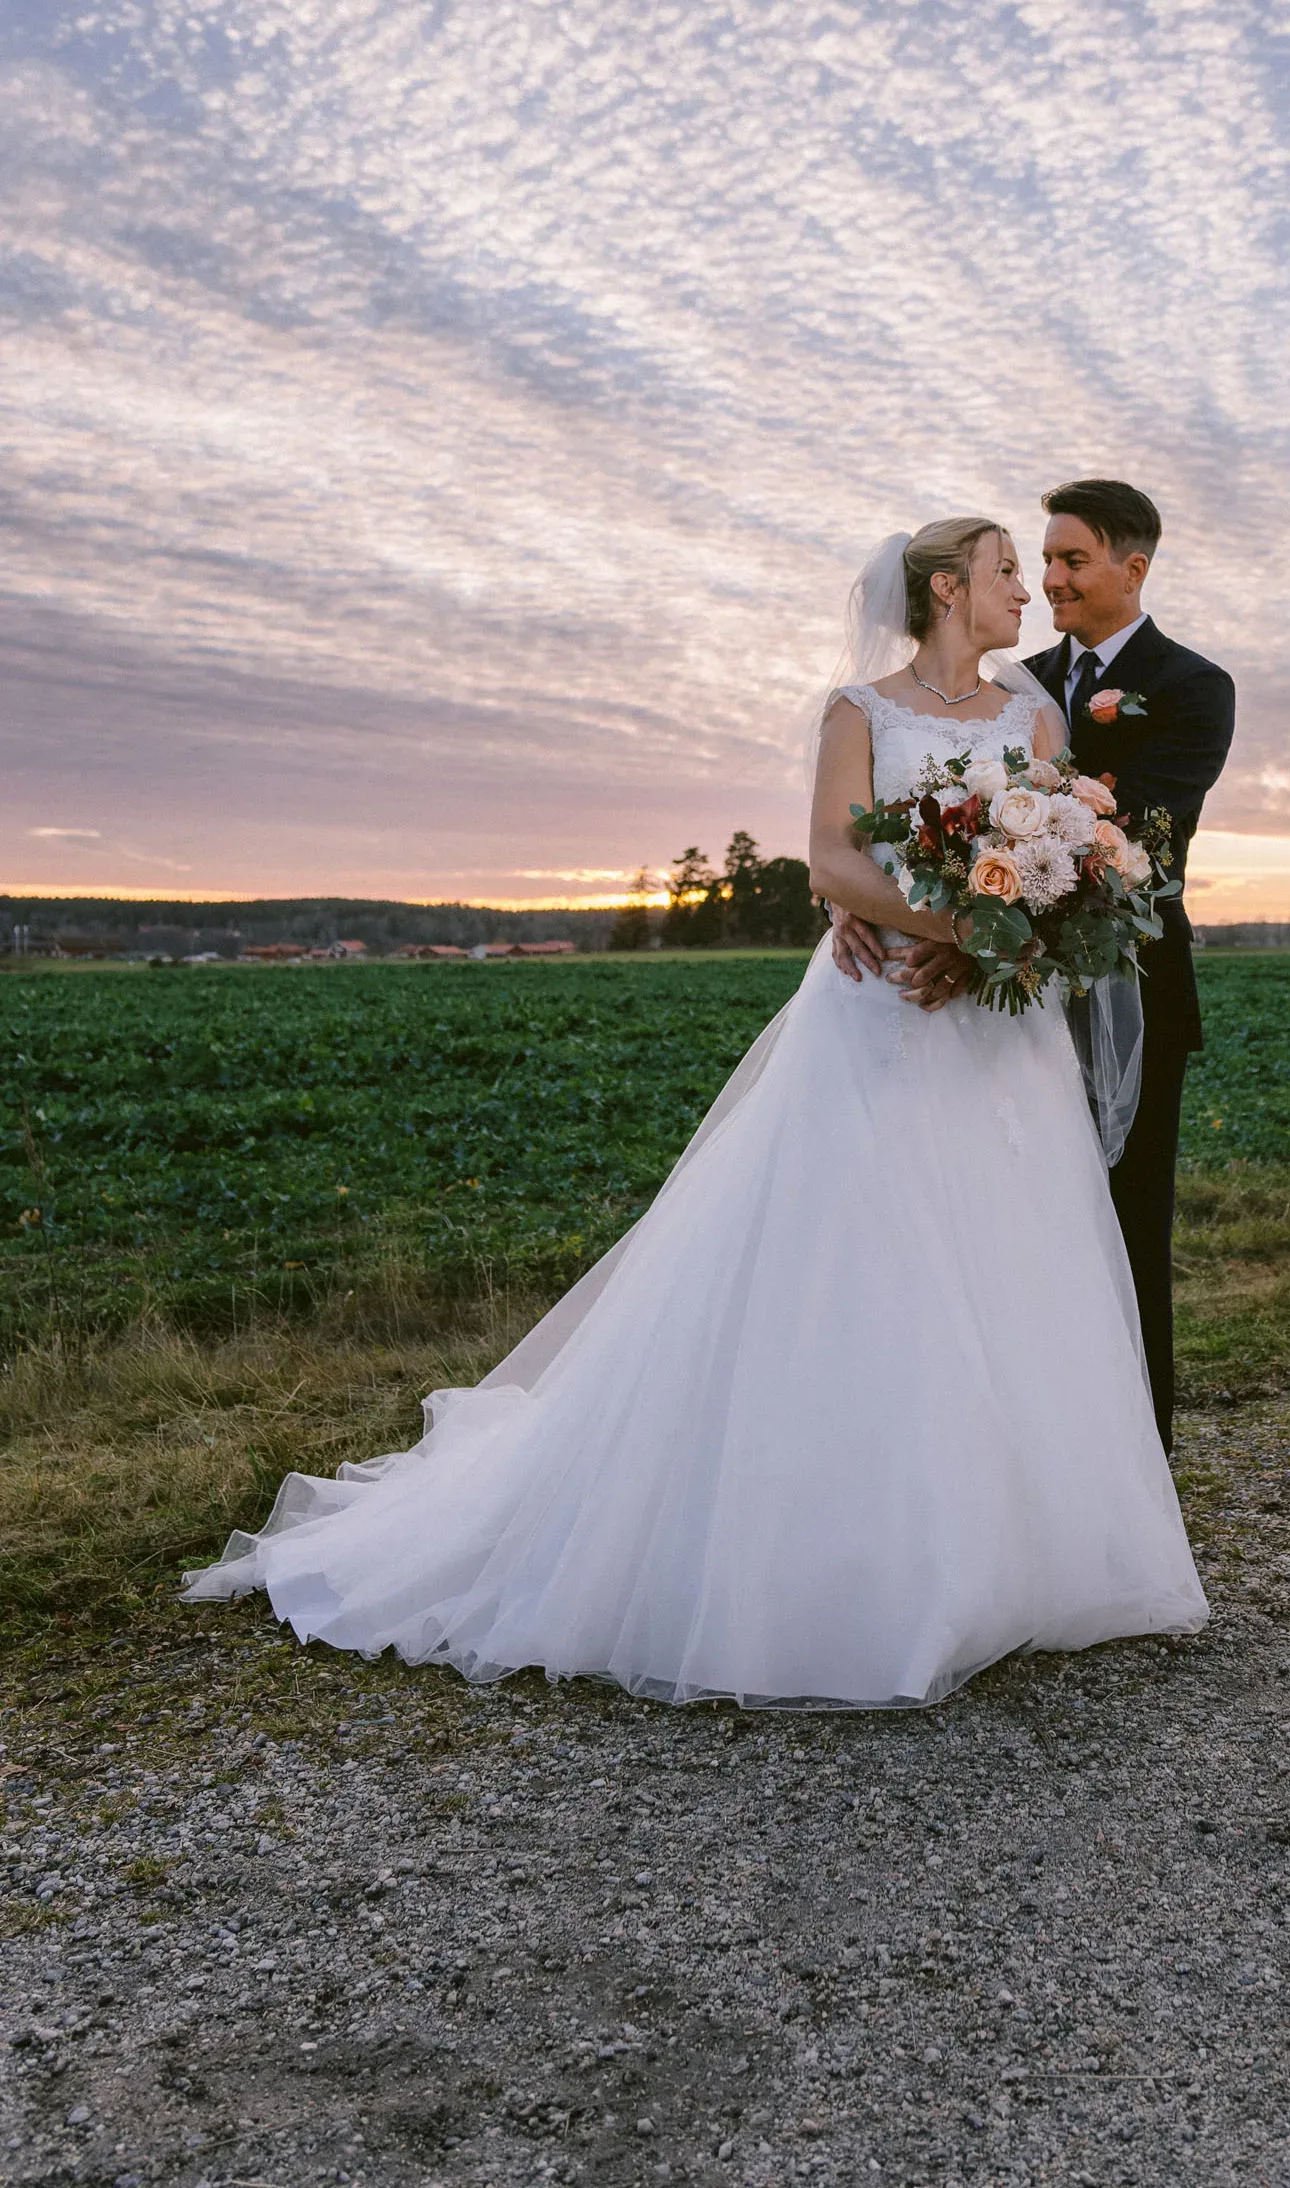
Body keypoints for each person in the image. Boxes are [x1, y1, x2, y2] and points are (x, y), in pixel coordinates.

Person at [184, 518, 1206, 1707]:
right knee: (857, 1259)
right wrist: (953, 929)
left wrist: (988, 952)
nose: (1024, 590)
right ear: (945, 588)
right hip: (877, 1012)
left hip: (991, 1026)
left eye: (1033, 572)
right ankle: (847, 1555)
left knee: (1011, 1259)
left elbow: (1062, 853)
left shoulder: (1034, 715)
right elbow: (831, 859)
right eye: (1004, 572)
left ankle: (1031, 1552)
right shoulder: (858, 713)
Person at [833, 482, 1234, 1452]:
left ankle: (1136, 1462)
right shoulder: (1015, 680)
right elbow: (914, 807)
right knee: (1011, 1227)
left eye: (1071, 560)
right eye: (1039, 561)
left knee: (1126, 1231)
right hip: (998, 1002)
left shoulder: (1192, 686)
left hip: (1126, 987)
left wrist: (978, 943)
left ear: (1132, 568)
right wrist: (856, 890)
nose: (1048, 579)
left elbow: (1130, 837)